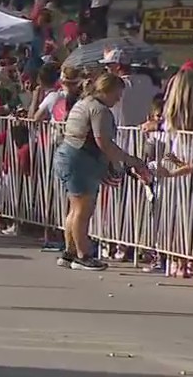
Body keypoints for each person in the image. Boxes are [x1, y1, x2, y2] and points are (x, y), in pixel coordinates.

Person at [54, 72, 150, 271]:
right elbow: (103, 143)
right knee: (83, 209)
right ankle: (83, 255)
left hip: (69, 154)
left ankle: (70, 252)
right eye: (118, 93)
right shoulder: (99, 110)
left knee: (74, 208)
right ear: (108, 90)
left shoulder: (84, 103)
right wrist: (130, 160)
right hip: (81, 158)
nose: (119, 98)